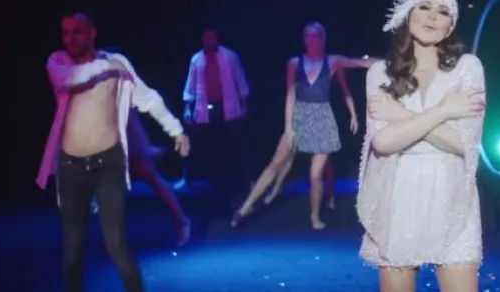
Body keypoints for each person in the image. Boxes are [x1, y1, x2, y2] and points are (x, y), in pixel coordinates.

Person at [37, 13, 189, 292]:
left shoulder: (118, 64)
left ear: (92, 33)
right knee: (72, 247)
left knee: (116, 243)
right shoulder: (58, 62)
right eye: (66, 32)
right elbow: (69, 79)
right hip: (71, 167)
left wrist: (175, 130)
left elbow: (147, 98)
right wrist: (108, 67)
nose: (71, 38)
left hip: (108, 164)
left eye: (77, 32)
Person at [358, 0, 486, 291]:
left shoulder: (467, 68)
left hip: (453, 197)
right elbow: (382, 142)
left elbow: (464, 144)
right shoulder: (380, 73)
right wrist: (444, 111)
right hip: (399, 196)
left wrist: (399, 116)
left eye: (443, 12)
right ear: (408, 14)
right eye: (425, 7)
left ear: (450, 26)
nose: (432, 16)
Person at [231, 22, 375, 229]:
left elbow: (359, 63)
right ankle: (243, 209)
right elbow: (290, 96)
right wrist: (288, 128)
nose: (311, 40)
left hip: (323, 119)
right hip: (299, 117)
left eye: (315, 36)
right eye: (307, 36)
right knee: (275, 164)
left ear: (322, 39)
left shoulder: (332, 61)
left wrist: (390, 62)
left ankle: (315, 216)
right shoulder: (294, 63)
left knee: (316, 174)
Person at [182, 28, 251, 193]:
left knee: (236, 145)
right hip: (204, 107)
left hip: (227, 106)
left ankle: (246, 180)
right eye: (207, 38)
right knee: (193, 143)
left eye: (213, 37)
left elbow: (240, 78)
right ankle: (187, 178)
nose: (210, 40)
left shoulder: (230, 56)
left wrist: (244, 104)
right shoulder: (196, 59)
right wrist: (187, 107)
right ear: (203, 40)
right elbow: (191, 84)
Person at [125, 108, 191, 247]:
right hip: (116, 146)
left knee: (154, 180)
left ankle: (182, 222)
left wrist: (144, 147)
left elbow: (132, 122)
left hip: (131, 147)